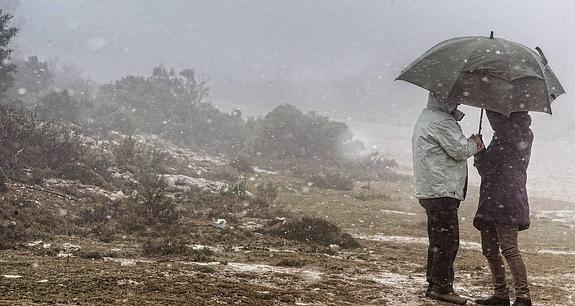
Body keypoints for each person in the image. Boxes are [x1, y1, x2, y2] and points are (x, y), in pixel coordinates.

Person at [412, 93, 484, 305]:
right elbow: (460, 150)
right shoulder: (442, 121)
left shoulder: (427, 117)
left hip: (430, 189)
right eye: (454, 99)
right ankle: (442, 286)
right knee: (448, 241)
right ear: (445, 100)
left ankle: (434, 282)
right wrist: (475, 143)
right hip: (442, 189)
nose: (458, 102)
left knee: (437, 239)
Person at [473, 111, 533, 306]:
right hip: (493, 199)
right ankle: (501, 295)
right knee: (490, 249)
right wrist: (480, 151)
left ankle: (523, 297)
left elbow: (493, 165)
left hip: (507, 199)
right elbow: (487, 169)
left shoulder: (517, 132)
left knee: (508, 249)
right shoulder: (504, 133)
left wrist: (487, 104)